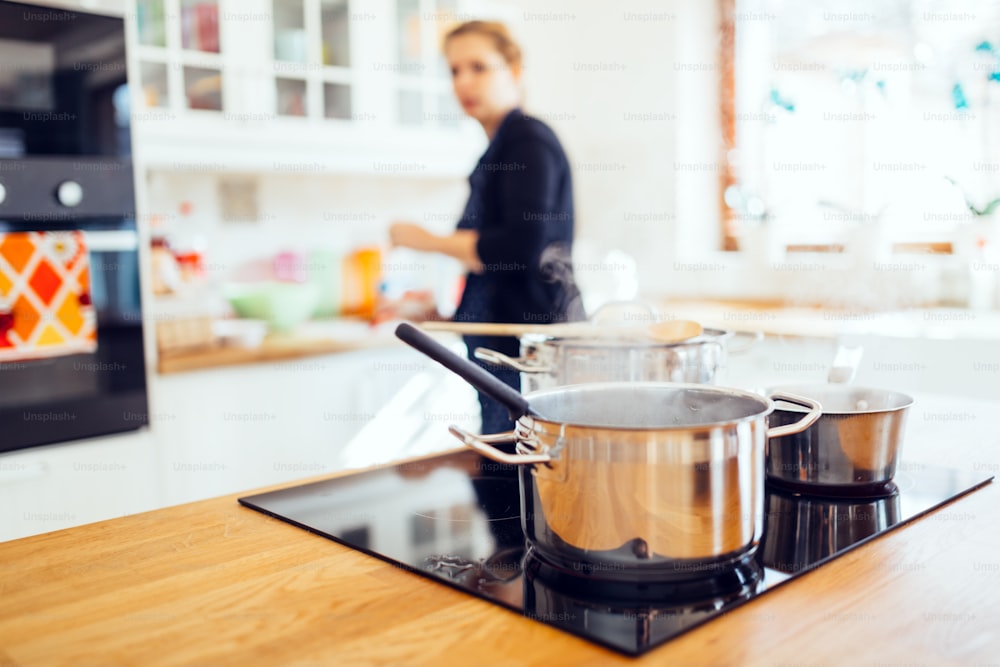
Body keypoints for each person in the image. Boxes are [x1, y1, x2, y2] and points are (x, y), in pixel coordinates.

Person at [389, 20, 583, 436]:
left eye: (479, 67)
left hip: (528, 353)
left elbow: (517, 248)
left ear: (514, 72)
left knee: (526, 472)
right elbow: (492, 268)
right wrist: (447, 315)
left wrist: (422, 240)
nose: (464, 82)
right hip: (503, 350)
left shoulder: (527, 140)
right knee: (512, 471)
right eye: (455, 70)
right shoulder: (499, 150)